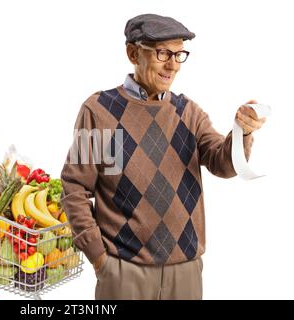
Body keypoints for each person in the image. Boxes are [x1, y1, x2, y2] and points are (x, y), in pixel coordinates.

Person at [60, 13, 266, 300]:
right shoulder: (99, 111)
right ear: (133, 53)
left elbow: (223, 163)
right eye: (162, 53)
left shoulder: (188, 112)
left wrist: (241, 132)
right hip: (123, 272)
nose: (172, 65)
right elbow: (75, 188)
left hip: (186, 272)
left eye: (179, 54)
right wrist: (100, 258)